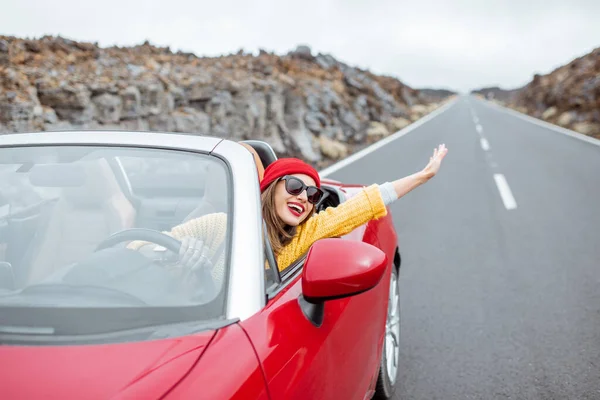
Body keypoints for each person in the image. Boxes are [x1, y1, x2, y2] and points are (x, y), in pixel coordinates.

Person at [128, 144, 448, 286]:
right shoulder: (221, 225)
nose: (304, 197)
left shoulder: (305, 236)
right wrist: (175, 258)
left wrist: (423, 177)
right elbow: (140, 249)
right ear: (269, 189)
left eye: (312, 194)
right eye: (295, 185)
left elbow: (362, 204)